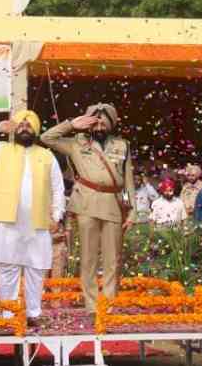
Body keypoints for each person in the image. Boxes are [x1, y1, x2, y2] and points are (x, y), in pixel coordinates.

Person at [0, 109, 64, 323]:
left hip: (38, 222)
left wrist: (57, 216)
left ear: (36, 129)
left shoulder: (46, 155)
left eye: (28, 125)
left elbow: (58, 189)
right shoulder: (2, 149)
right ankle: (8, 312)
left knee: (36, 268)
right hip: (7, 220)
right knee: (8, 267)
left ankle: (33, 313)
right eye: (20, 124)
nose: (24, 128)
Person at [41, 103, 135, 311]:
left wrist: (130, 209)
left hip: (113, 204)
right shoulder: (76, 143)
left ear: (111, 123)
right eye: (95, 120)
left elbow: (126, 182)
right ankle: (92, 306)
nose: (99, 124)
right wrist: (71, 124)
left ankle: (108, 305)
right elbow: (46, 138)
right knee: (88, 258)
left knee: (113, 259)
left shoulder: (122, 146)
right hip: (86, 203)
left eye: (103, 120)